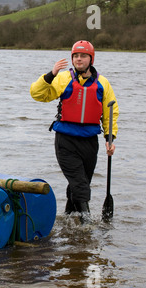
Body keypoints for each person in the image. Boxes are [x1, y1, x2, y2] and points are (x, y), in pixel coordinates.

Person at [30, 40, 119, 223]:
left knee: (80, 183)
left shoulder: (102, 83)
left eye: (83, 56)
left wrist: (110, 138)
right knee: (80, 185)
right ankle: (86, 224)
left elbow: (111, 111)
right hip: (66, 140)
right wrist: (50, 74)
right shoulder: (63, 78)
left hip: (89, 141)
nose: (79, 59)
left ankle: (69, 219)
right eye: (76, 56)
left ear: (90, 59)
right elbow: (37, 94)